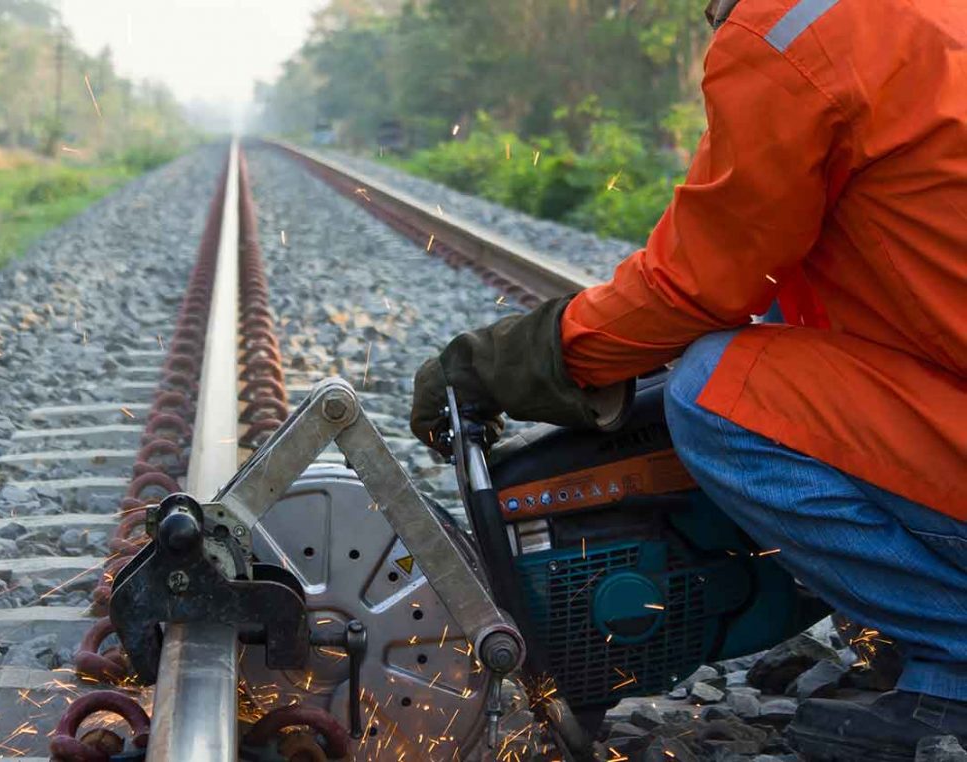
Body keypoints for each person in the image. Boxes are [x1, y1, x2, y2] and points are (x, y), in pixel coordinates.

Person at [409, 0, 967, 758]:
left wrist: (511, 361)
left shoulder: (792, 33)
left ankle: (956, 664)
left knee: (714, 390)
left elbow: (695, 287)